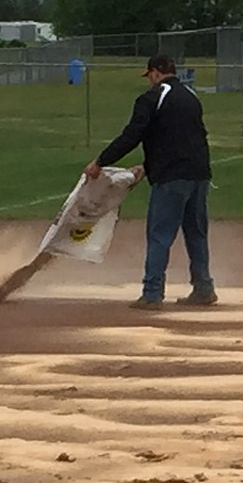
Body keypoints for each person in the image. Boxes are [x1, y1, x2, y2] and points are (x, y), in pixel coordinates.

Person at [84, 53, 217, 309]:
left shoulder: (152, 98)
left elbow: (132, 135)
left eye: (150, 76)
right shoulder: (191, 97)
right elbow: (188, 138)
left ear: (156, 72)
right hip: (199, 174)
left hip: (171, 177)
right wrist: (147, 166)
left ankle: (152, 293)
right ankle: (204, 287)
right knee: (196, 233)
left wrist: (100, 161)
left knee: (159, 235)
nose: (150, 81)